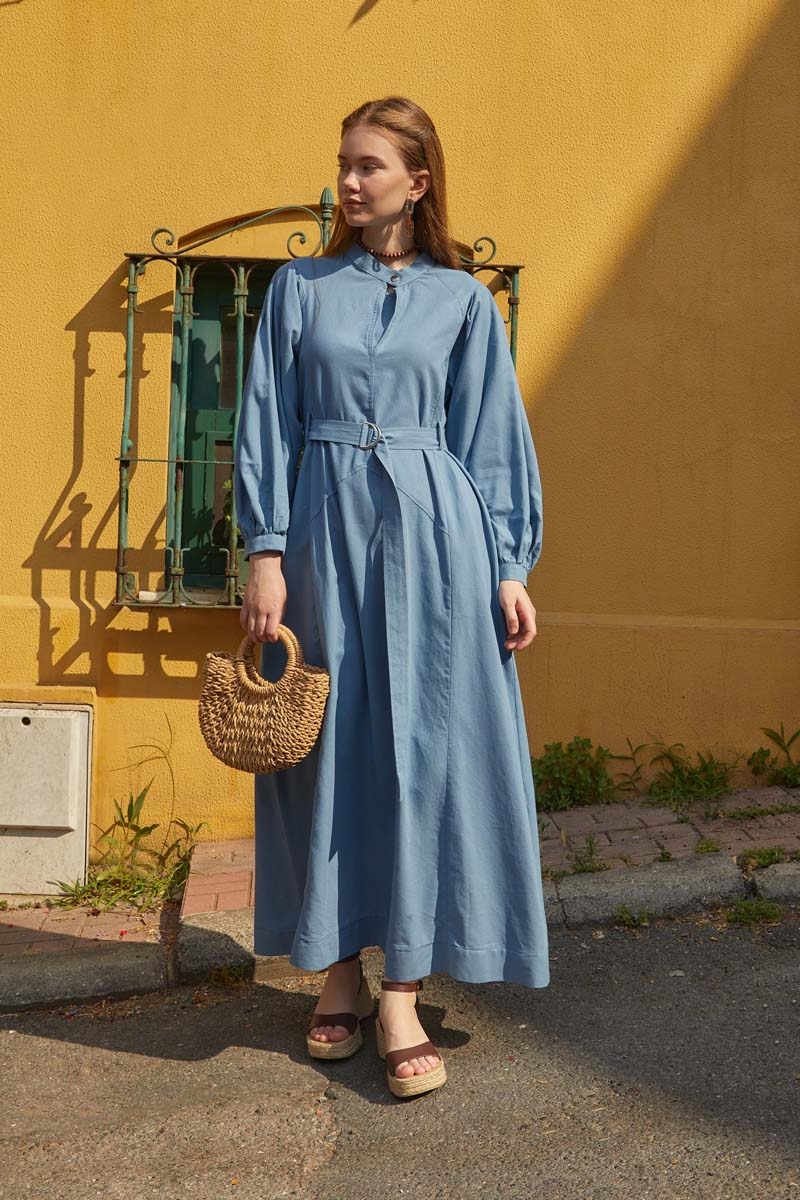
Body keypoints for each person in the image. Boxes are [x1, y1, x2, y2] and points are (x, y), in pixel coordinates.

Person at [234, 96, 549, 1099]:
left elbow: (490, 436)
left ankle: (403, 988)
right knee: (323, 749)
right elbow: (265, 421)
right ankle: (336, 969)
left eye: (368, 165)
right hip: (322, 536)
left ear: (418, 181)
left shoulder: (463, 302)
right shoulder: (298, 288)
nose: (348, 181)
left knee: (421, 750)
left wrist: (508, 566)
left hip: (435, 541)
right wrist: (265, 550)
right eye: (343, 163)